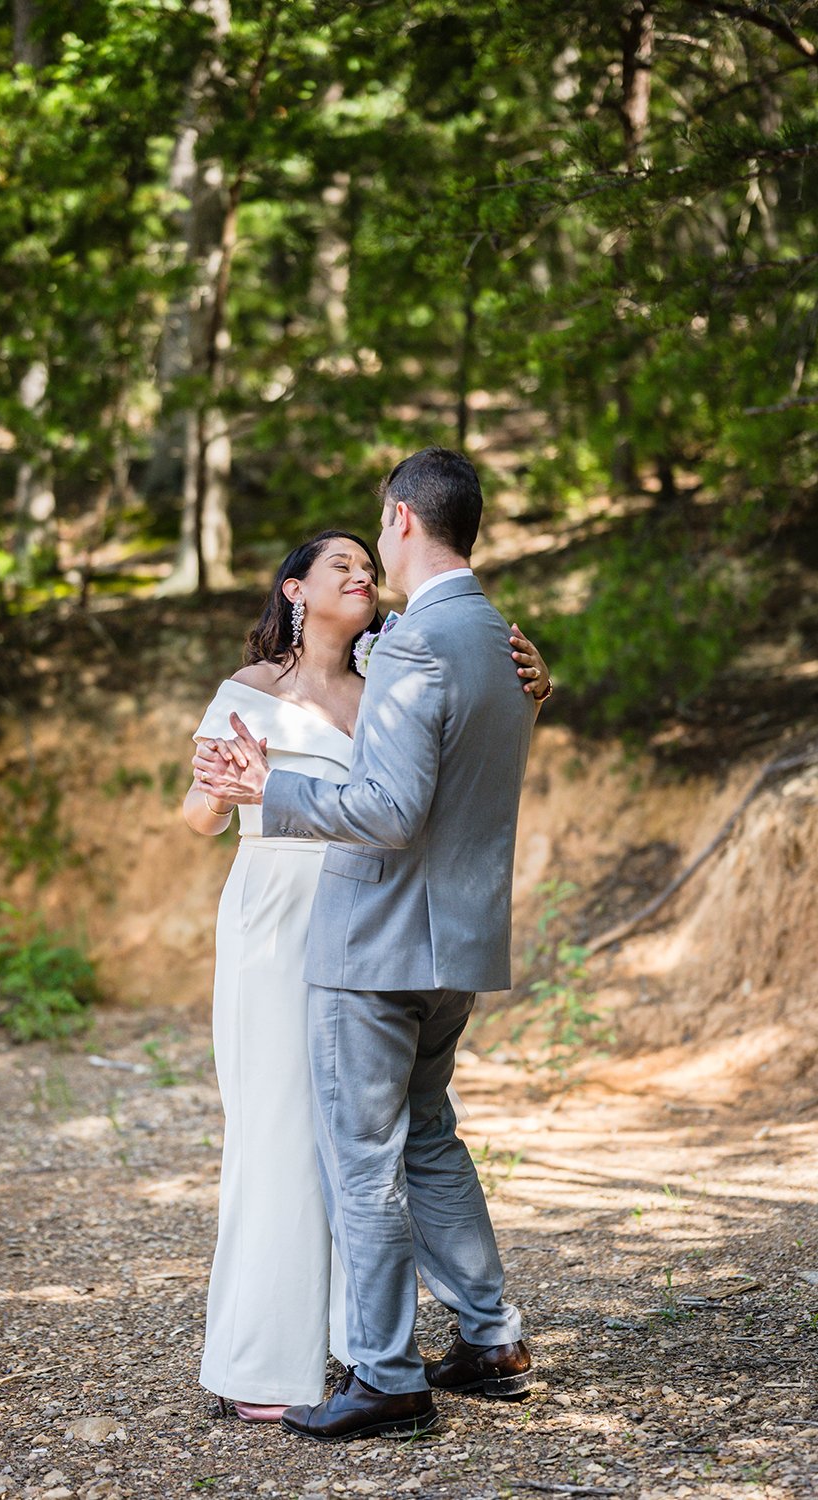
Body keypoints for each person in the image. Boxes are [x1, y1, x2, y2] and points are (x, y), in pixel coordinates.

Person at [194, 449, 546, 1443]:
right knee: (428, 1138)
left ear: (399, 520)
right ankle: (491, 1337)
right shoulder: (492, 637)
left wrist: (272, 791)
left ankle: (387, 1374)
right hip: (458, 940)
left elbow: (389, 811)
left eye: (370, 538)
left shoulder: (409, 645)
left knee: (361, 1155)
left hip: (377, 941)